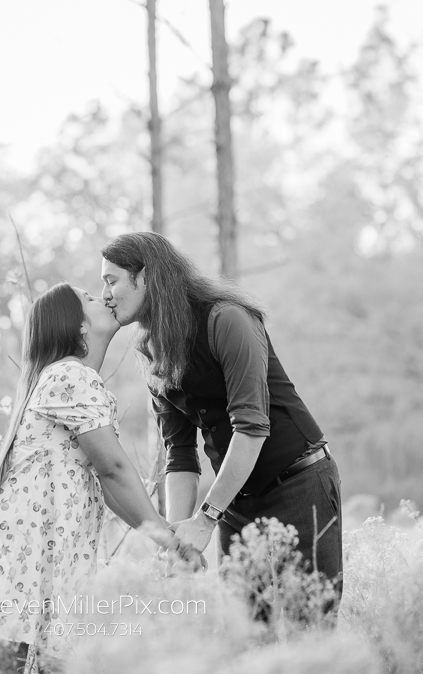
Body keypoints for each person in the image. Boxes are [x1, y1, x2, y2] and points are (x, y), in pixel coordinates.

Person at [100, 232, 343, 622]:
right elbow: (179, 457)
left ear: (144, 277)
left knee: (309, 625)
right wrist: (177, 540)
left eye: (111, 280)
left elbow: (251, 428)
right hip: (235, 502)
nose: (106, 294)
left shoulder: (227, 318)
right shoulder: (152, 351)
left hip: (299, 484)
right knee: (245, 633)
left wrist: (207, 518)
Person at [0, 282, 180, 674]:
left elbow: (109, 488)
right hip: (23, 566)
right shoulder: (70, 377)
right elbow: (114, 469)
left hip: (33, 564)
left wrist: (159, 535)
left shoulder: (71, 380)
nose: (102, 296)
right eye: (90, 298)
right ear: (80, 327)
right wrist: (166, 538)